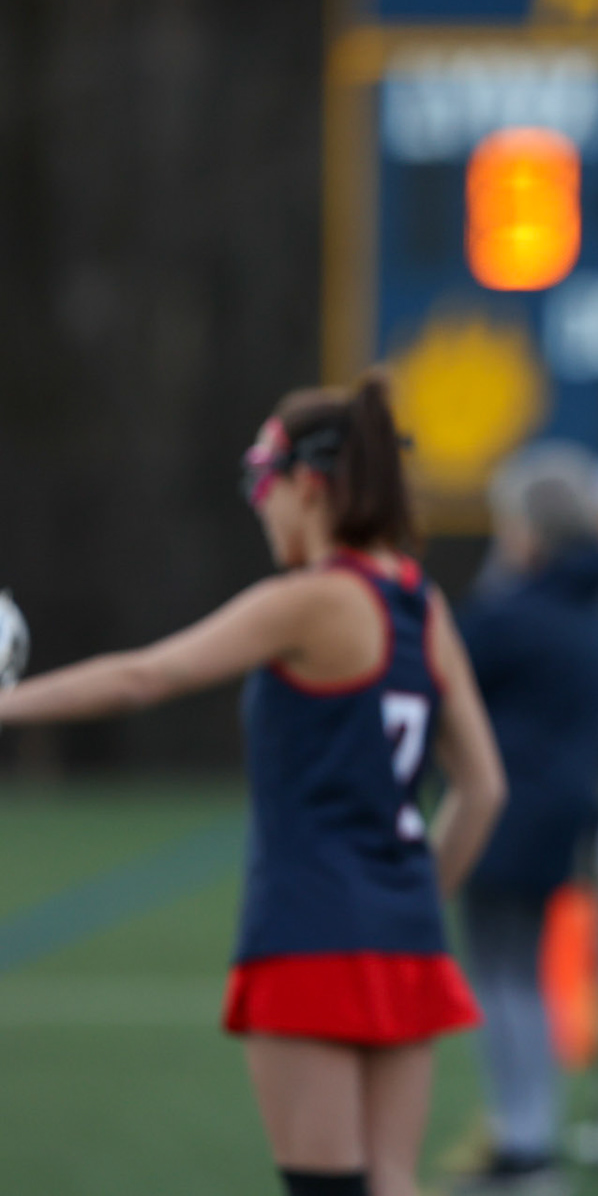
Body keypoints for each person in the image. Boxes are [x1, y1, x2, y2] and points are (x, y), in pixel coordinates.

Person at [0, 376, 507, 1196]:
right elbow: (483, 789)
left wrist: (6, 702)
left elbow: (143, 676)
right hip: (405, 934)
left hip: (307, 928)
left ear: (307, 484)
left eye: (259, 486)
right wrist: (410, 898)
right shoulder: (422, 602)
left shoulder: (309, 602)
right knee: (391, 1181)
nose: (259, 507)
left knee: (327, 1188)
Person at [456, 443, 598, 1193]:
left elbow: (449, 661)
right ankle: (528, 1141)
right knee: (514, 971)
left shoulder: (519, 612)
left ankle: (527, 1146)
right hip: (558, 806)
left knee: (502, 973)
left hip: (509, 807)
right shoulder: (594, 603)